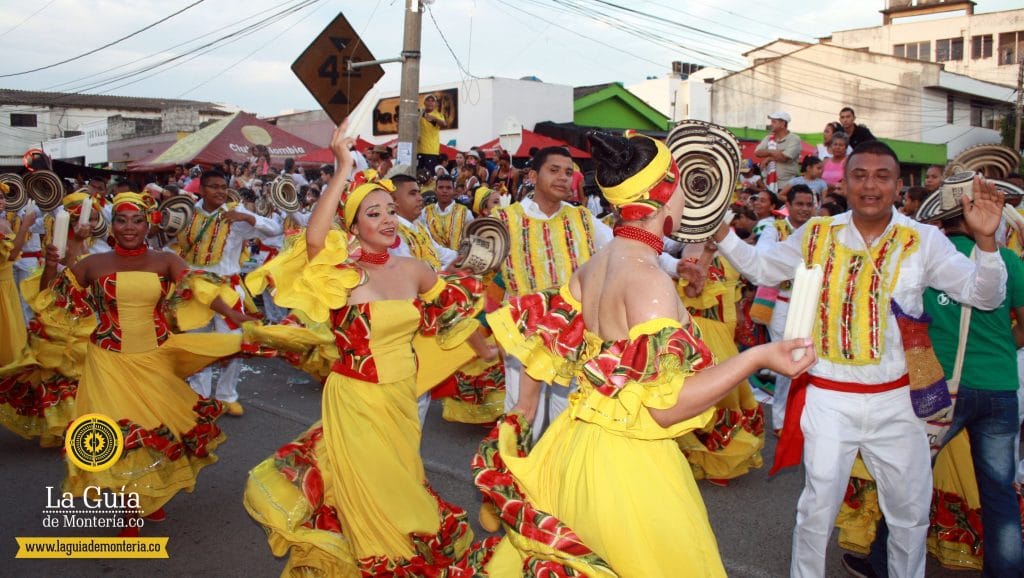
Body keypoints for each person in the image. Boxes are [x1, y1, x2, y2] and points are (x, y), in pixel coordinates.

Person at [476, 127, 816, 576]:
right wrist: (756, 359)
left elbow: (546, 345)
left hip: (575, 446)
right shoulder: (648, 280)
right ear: (664, 195)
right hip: (627, 461)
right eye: (681, 182)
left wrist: (523, 410)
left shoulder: (597, 263)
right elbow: (665, 407)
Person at [711, 140, 1007, 578]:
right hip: (829, 400)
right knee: (815, 510)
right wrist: (719, 233)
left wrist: (986, 242)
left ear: (897, 184)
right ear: (844, 183)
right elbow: (763, 268)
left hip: (898, 404)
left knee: (909, 515)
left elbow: (984, 295)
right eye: (860, 175)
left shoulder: (922, 239)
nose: (870, 185)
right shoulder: (816, 233)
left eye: (882, 176)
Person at [243, 119, 496, 576]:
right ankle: (379, 560)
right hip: (356, 399)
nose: (386, 220)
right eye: (372, 213)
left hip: (402, 399)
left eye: (389, 210)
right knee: (371, 487)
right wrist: (343, 166)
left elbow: (455, 315)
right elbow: (316, 239)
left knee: (400, 483)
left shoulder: (415, 268)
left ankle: (390, 550)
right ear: (354, 225)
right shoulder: (344, 272)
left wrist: (487, 349)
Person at [41, 192, 250, 534]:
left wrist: (235, 316)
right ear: (112, 224)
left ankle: (149, 494)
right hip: (108, 361)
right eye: (122, 219)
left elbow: (199, 288)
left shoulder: (165, 260)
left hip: (153, 358)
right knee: (121, 430)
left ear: (148, 223)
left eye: (137, 220)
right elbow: (52, 297)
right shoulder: (94, 263)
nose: (129, 227)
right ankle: (130, 506)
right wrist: (52, 264)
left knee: (154, 428)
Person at [840, 199, 1024, 578]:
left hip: (938, 388)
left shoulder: (923, 256)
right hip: (1001, 386)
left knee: (910, 481)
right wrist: (1002, 348)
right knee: (1000, 493)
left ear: (943, 220)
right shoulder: (1009, 261)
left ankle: (882, 564)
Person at [174, 170, 281, 416]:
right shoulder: (186, 214)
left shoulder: (235, 215)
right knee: (198, 343)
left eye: (223, 186)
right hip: (195, 290)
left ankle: (226, 396)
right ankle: (199, 398)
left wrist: (247, 216)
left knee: (233, 343)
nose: (220, 191)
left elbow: (274, 230)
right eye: (214, 186)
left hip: (227, 289)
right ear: (201, 189)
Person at [755, 185, 818, 435]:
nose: (804, 209)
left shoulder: (818, 230)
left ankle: (801, 416)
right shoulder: (773, 227)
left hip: (810, 304)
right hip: (781, 303)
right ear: (788, 207)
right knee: (789, 359)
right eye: (799, 204)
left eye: (808, 204)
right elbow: (763, 254)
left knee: (808, 361)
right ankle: (781, 420)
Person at [421, 174, 473, 250]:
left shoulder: (465, 213)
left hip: (458, 259)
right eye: (441, 187)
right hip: (432, 259)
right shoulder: (425, 212)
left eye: (448, 188)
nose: (444, 191)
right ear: (435, 190)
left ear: (454, 191)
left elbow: (471, 239)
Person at [755, 111, 802, 190]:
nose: (771, 124)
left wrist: (769, 158)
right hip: (768, 183)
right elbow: (757, 153)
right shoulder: (769, 138)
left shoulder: (794, 139)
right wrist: (772, 152)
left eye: (774, 122)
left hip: (786, 185)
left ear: (783, 124)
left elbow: (784, 158)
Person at [417, 94, 448, 174]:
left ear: (435, 104)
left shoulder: (438, 114)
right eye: (428, 100)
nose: (430, 102)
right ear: (424, 102)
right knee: (418, 175)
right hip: (418, 150)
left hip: (431, 151)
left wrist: (434, 118)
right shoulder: (419, 112)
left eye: (432, 101)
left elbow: (444, 124)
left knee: (429, 176)